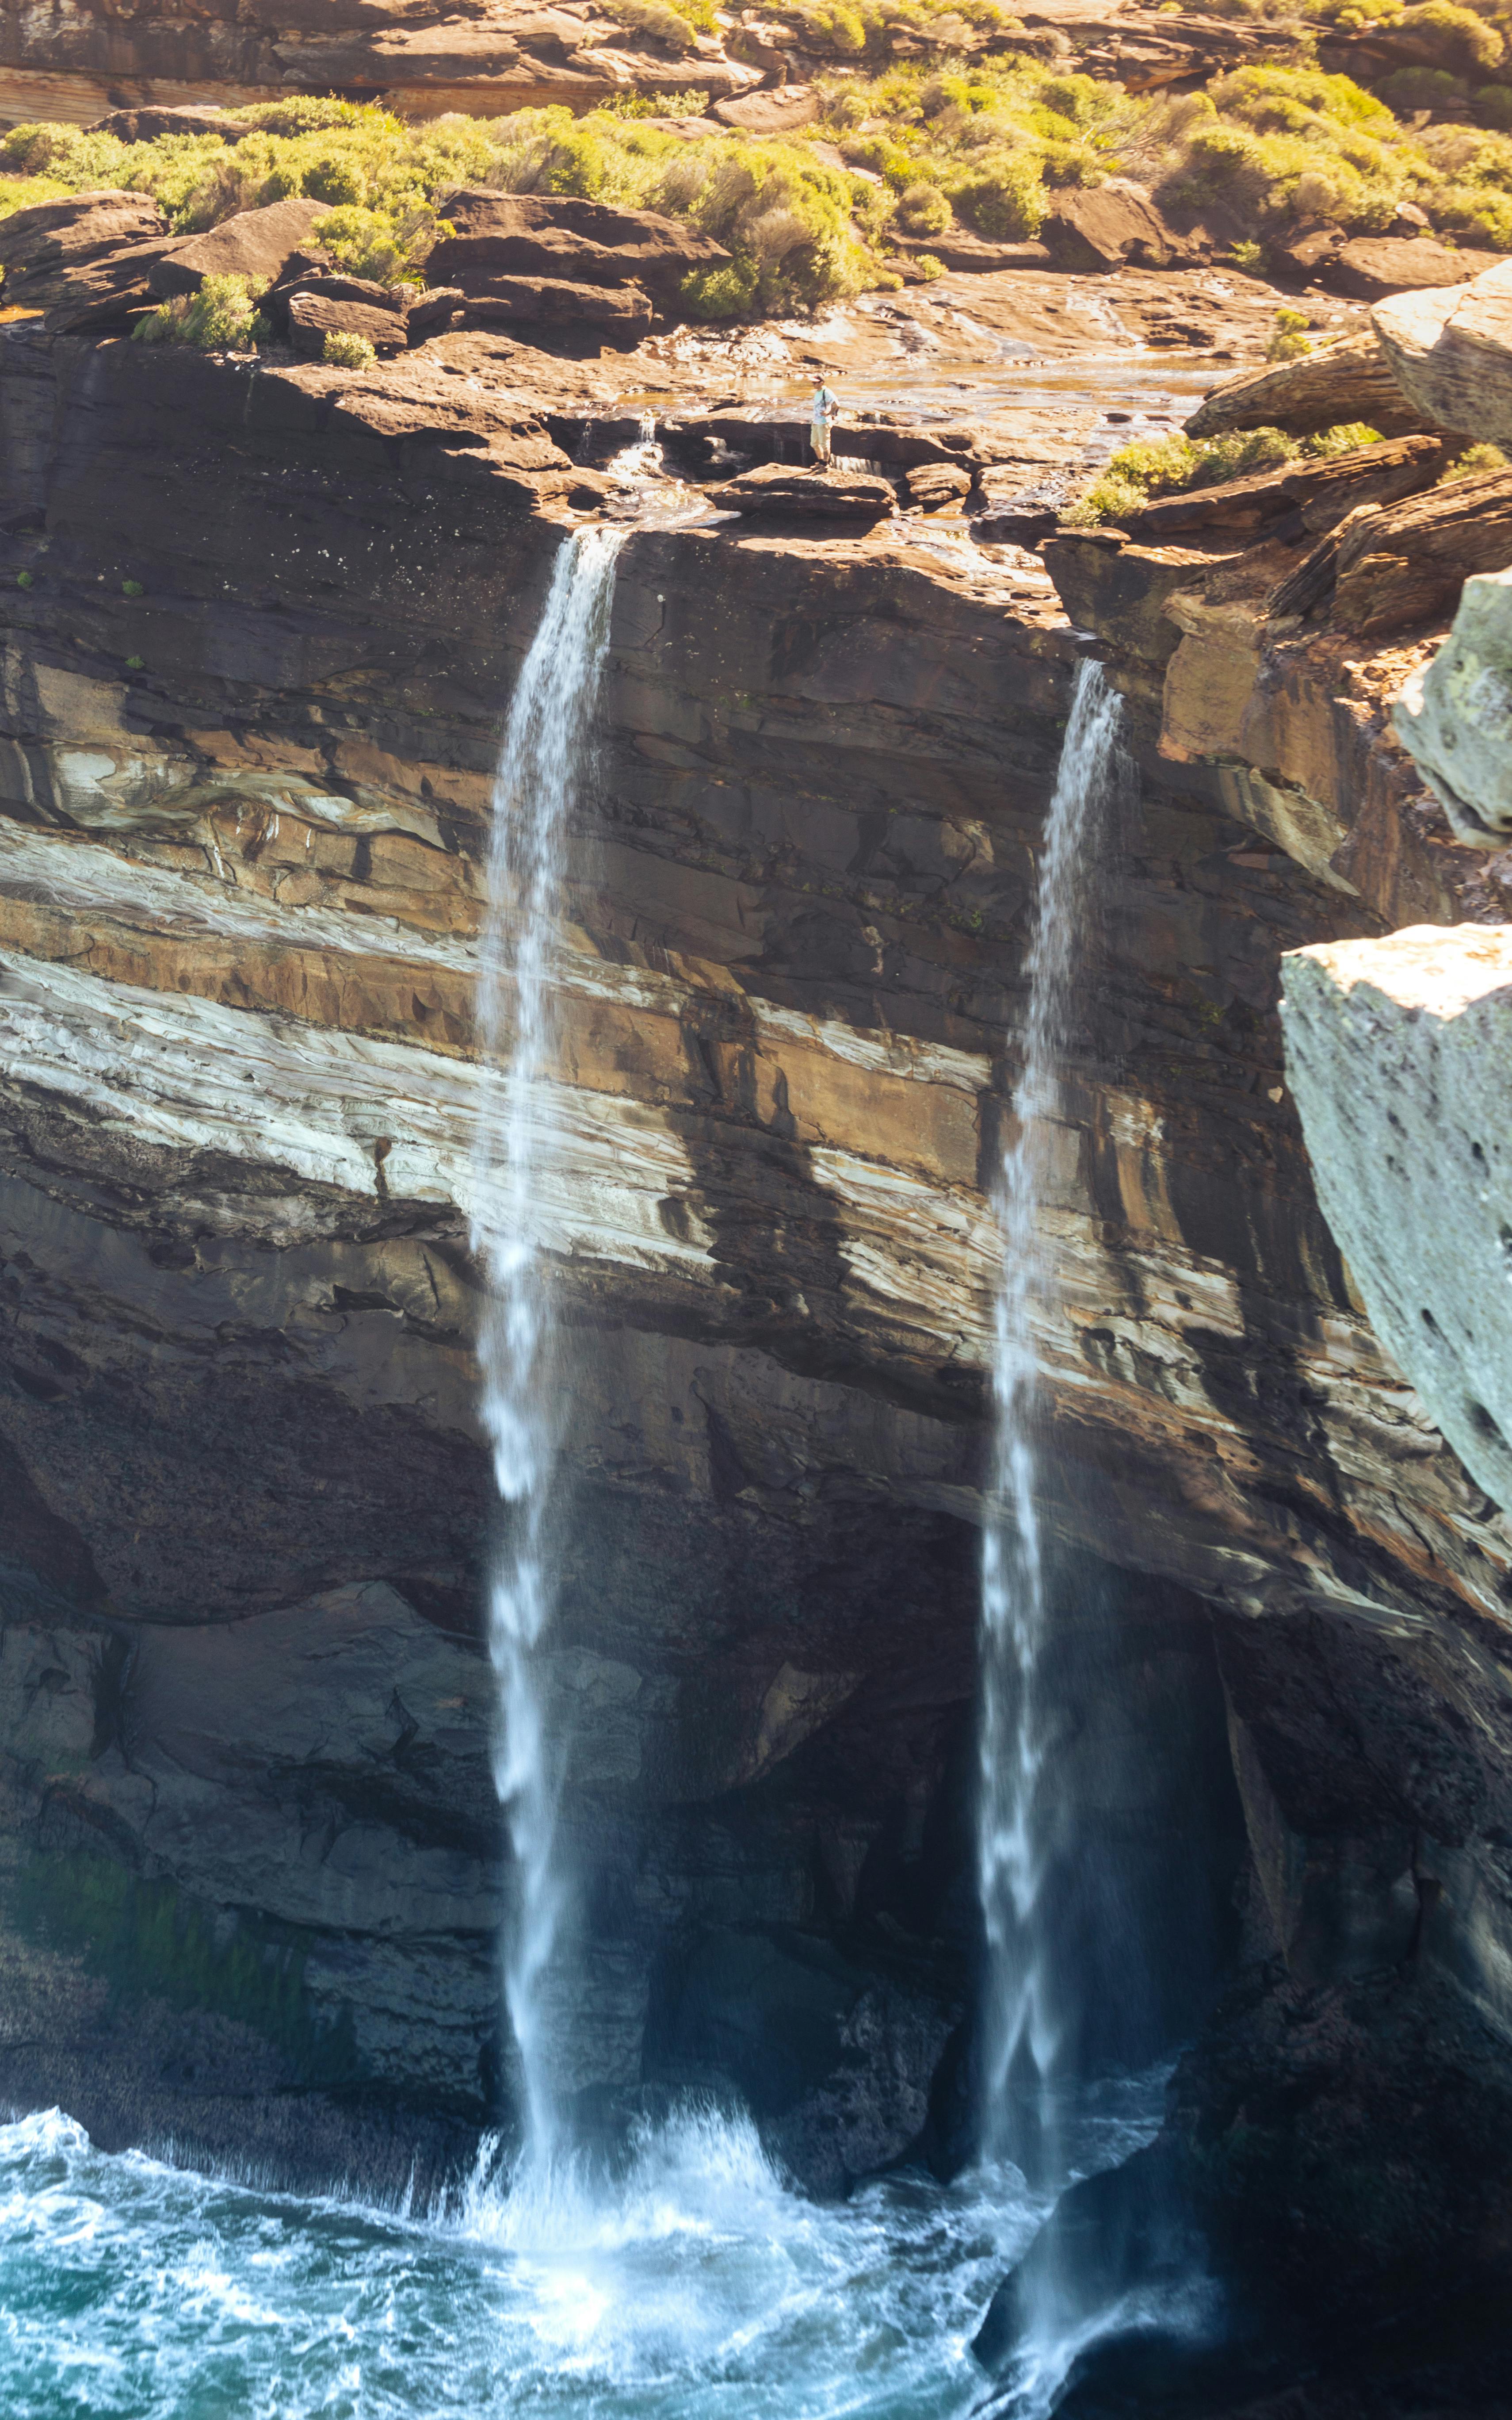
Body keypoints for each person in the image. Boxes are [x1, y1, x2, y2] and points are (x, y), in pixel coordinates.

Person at [809, 375, 839, 469]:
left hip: (824, 423)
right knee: (814, 444)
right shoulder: (818, 392)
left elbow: (837, 405)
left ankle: (826, 465)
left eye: (815, 383)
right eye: (813, 383)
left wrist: (829, 413)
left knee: (824, 445)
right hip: (816, 422)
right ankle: (821, 462)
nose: (813, 384)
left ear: (821, 383)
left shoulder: (827, 392)